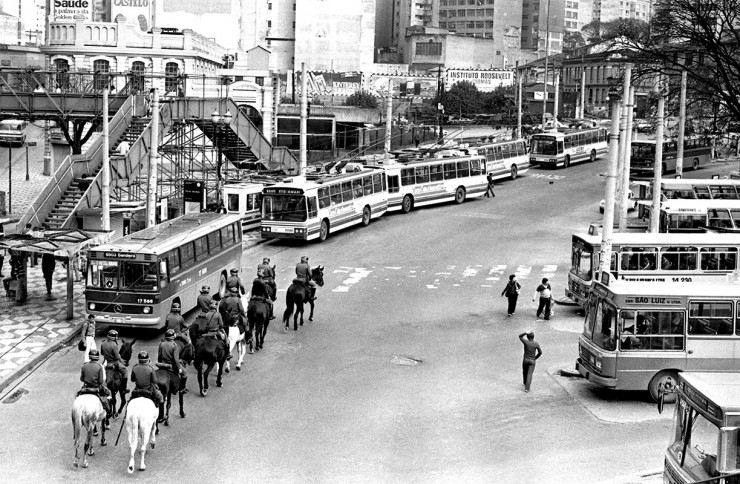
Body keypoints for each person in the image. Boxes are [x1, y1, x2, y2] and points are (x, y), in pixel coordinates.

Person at [78, 349, 111, 414]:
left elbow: (81, 379)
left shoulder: (84, 366)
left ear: (89, 357)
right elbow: (101, 381)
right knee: (108, 393)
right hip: (95, 389)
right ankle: (108, 409)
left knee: (77, 395)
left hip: (85, 388)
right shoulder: (99, 367)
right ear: (97, 358)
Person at [158, 329, 187, 395]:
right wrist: (179, 368)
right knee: (185, 373)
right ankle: (182, 388)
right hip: (171, 365)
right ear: (173, 336)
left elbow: (159, 356)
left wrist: (160, 364)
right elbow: (176, 359)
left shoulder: (161, 344)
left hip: (163, 363)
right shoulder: (175, 345)